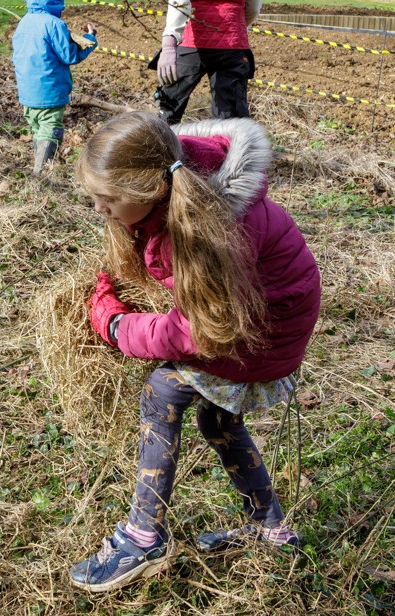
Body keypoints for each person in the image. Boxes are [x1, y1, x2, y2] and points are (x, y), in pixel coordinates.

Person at [69, 112, 321, 593]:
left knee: (164, 388)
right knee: (217, 418)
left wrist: (118, 324)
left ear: (149, 192)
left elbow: (196, 334)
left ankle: (142, 539)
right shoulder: (173, 176)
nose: (100, 209)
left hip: (265, 330)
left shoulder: (206, 232)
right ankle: (273, 531)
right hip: (263, 313)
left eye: (108, 200)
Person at [11, 0, 97, 175]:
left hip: (27, 92)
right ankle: (41, 173)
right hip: (49, 91)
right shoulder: (54, 24)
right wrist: (90, 39)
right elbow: (70, 56)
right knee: (51, 129)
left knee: (38, 129)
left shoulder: (23, 22)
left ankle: (41, 166)